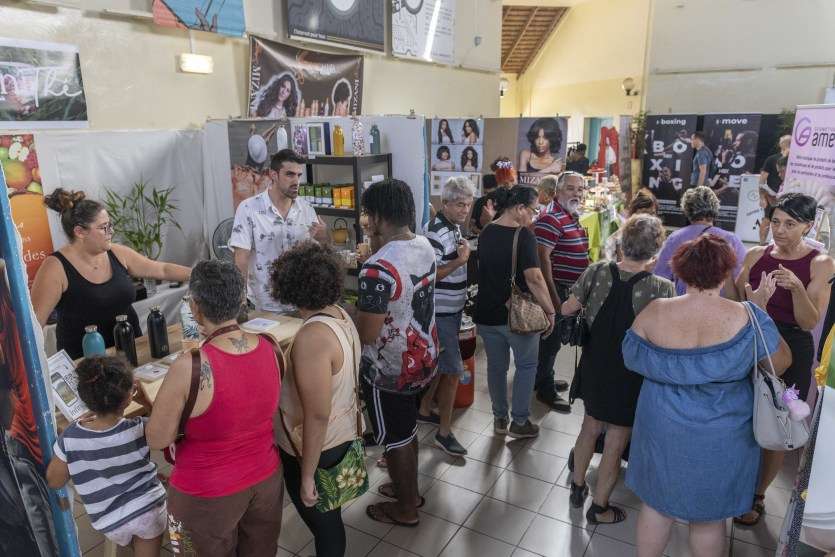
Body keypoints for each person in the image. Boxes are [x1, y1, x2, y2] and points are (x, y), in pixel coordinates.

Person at [623, 234, 792, 557]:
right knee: (709, 518)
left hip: (662, 426)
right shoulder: (749, 316)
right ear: (726, 273)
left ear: (681, 271)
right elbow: (781, 363)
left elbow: (630, 357)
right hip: (724, 432)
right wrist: (760, 311)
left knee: (657, 507)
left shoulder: (655, 311)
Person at [146, 260, 284, 556]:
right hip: (266, 479)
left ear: (195, 308)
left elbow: (157, 438)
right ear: (241, 299)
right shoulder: (271, 346)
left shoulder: (190, 366)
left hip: (204, 492)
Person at [561, 215, 674, 524]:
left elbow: (567, 308)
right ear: (656, 251)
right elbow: (666, 336)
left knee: (589, 427)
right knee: (615, 442)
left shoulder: (596, 271)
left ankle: (577, 486)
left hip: (595, 363)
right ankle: (600, 507)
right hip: (631, 374)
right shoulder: (662, 288)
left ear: (622, 243)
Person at [734, 193, 835, 526]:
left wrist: (797, 289)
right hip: (753, 342)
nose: (780, 230)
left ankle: (758, 495)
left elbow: (809, 322)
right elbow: (737, 300)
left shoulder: (821, 263)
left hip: (793, 347)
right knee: (742, 416)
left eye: (790, 224)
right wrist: (748, 298)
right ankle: (734, 481)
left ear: (808, 226)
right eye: (775, 222)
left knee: (778, 422)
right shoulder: (755, 255)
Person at [269, 242, 362, 557]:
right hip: (341, 432)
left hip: (317, 447)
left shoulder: (312, 337)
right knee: (329, 521)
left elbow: (317, 414)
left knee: (325, 526)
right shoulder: (340, 314)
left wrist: (307, 474)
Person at [356, 179, 438, 528]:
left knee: (395, 439)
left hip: (389, 369)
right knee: (407, 430)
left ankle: (406, 508)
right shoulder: (424, 245)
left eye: (367, 215)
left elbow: (367, 332)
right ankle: (410, 492)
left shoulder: (377, 267)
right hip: (424, 357)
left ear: (376, 217)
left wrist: (347, 312)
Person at [31, 189, 191, 359]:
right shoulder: (55, 267)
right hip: (86, 364)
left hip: (131, 353)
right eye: (103, 227)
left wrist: (200, 274)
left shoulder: (117, 252)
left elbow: (162, 269)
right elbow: (34, 325)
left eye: (110, 225)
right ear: (79, 232)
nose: (111, 231)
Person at [47, 356, 167, 557]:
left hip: (108, 521)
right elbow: (164, 433)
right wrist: (146, 402)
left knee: (133, 531)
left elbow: (54, 480)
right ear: (128, 398)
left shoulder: (69, 437)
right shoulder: (139, 427)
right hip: (147, 508)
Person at [475, 186, 556, 438]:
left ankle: (500, 418)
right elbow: (534, 278)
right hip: (517, 316)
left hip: (486, 313)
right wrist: (550, 310)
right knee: (526, 366)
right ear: (520, 208)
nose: (534, 216)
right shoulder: (524, 236)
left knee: (496, 368)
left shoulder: (486, 231)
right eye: (533, 210)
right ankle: (520, 422)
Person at [230, 148, 328, 313]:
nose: (296, 181)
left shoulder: (306, 208)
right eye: (290, 174)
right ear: (273, 175)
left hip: (302, 303)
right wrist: (240, 300)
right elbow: (241, 258)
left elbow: (319, 254)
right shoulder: (248, 209)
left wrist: (323, 236)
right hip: (263, 305)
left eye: (299, 175)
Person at [418, 177, 475, 456]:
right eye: (459, 204)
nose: (465, 209)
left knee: (442, 366)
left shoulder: (453, 226)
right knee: (453, 372)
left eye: (468, 204)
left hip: (452, 310)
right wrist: (460, 261)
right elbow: (431, 275)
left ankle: (424, 408)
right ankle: (444, 433)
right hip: (440, 312)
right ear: (445, 203)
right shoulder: (435, 231)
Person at [533, 172, 589, 412]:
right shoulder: (551, 218)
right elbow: (542, 259)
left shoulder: (569, 215)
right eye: (571, 188)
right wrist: (554, 299)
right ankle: (545, 389)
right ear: (557, 191)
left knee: (554, 341)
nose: (577, 193)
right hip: (555, 289)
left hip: (567, 290)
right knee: (550, 340)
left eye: (580, 189)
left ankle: (543, 377)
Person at [654, 186, 747, 296]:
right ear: (715, 208)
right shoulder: (731, 239)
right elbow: (742, 279)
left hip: (684, 301)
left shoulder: (675, 238)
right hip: (721, 302)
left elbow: (660, 277)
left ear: (687, 209)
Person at [604, 191, 658, 262]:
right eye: (644, 213)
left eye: (652, 213)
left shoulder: (655, 232)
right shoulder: (623, 236)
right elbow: (623, 264)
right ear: (634, 213)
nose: (649, 217)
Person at [759, 136, 791, 244]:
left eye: (781, 172)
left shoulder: (795, 160)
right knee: (768, 219)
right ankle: (762, 243)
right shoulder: (772, 159)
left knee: (777, 220)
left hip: (783, 195)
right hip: (774, 194)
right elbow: (762, 179)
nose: (779, 174)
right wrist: (763, 197)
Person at [474, 158, 517, 232]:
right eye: (505, 182)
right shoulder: (491, 197)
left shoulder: (518, 195)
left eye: (512, 180)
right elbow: (481, 224)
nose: (510, 184)